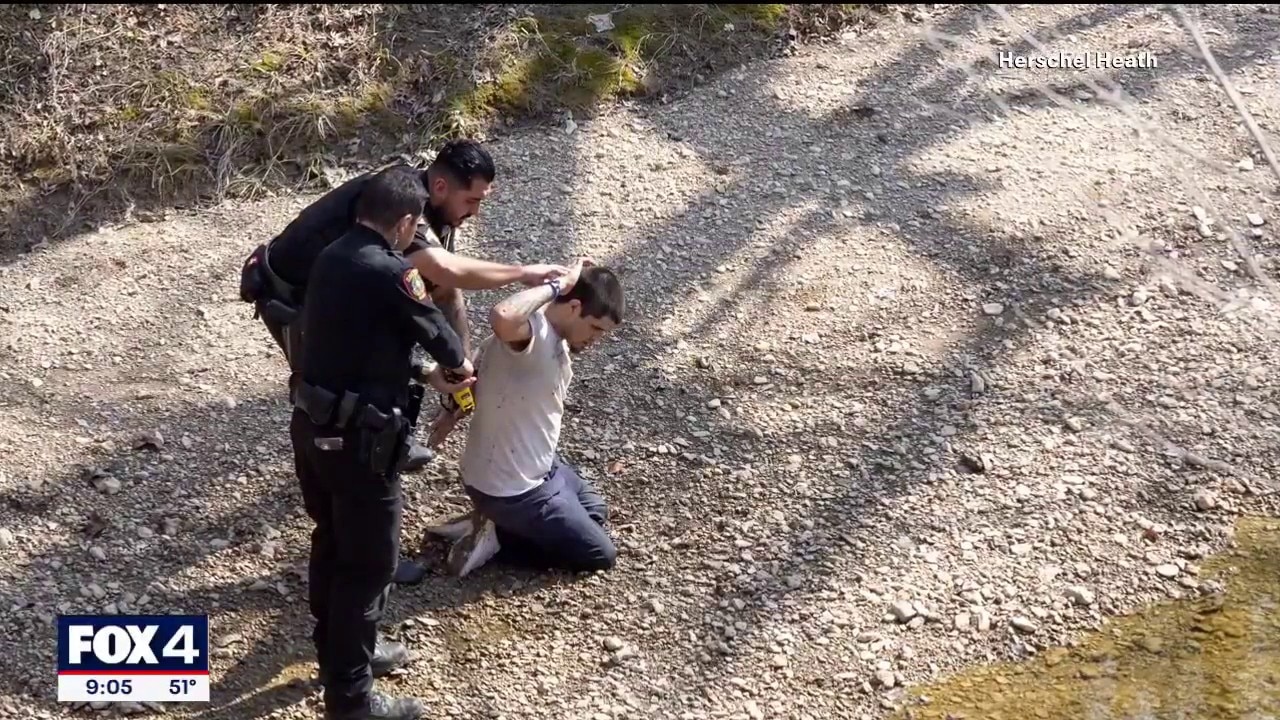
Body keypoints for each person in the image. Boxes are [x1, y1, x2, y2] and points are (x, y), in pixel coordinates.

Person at [238, 138, 567, 472]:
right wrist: (523, 273)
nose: (475, 212)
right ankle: (333, 466)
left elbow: (445, 289)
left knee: (384, 347)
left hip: (344, 288)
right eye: (471, 200)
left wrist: (461, 369)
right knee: (327, 386)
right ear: (441, 187)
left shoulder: (436, 210)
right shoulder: (401, 204)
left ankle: (378, 444)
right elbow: (444, 268)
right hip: (290, 294)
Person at [289, 165, 476, 720]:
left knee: (332, 542)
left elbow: (353, 348)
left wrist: (417, 375)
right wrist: (458, 369)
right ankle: (351, 700)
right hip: (361, 447)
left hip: (314, 432)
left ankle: (342, 656)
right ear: (406, 223)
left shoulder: (329, 259)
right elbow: (444, 340)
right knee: (368, 566)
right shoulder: (393, 272)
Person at [423, 260, 626, 578]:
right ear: (574, 307)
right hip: (513, 491)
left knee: (595, 511)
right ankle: (497, 538)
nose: (595, 340)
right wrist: (556, 286)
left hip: (539, 467)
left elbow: (480, 366)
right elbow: (502, 316)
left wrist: (452, 411)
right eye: (595, 328)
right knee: (600, 554)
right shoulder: (532, 334)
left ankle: (492, 523)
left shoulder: (549, 331)